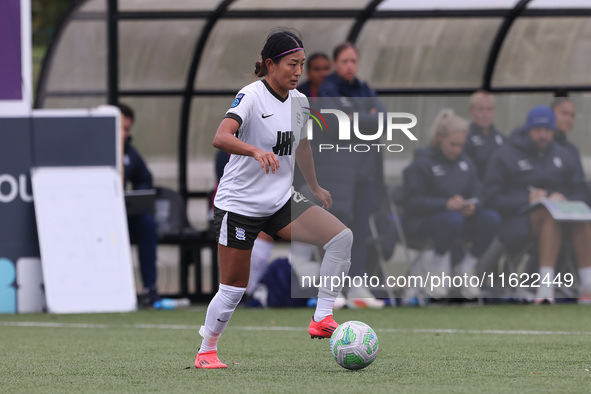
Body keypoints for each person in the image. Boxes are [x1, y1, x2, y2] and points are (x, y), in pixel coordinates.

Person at [195, 29, 353, 369]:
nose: (298, 72)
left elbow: (303, 146)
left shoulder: (300, 101)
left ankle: (322, 317)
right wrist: (253, 150)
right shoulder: (250, 96)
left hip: (281, 201)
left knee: (341, 238)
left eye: (302, 64)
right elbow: (221, 137)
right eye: (291, 64)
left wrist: (314, 186)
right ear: (270, 64)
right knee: (234, 289)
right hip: (239, 205)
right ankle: (206, 350)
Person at [483, 105, 591, 304]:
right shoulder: (505, 154)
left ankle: (587, 284)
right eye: (538, 130)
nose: (543, 135)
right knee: (549, 214)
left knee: (580, 216)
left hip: (564, 220)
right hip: (517, 222)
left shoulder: (565, 154)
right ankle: (545, 286)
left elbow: (581, 191)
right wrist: (526, 199)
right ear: (528, 129)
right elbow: (491, 197)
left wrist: (564, 198)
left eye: (548, 130)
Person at [313, 42, 386, 308]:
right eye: (344, 61)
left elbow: (384, 120)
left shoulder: (365, 89)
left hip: (365, 173)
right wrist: (365, 118)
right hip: (337, 174)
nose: (350, 66)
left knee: (361, 230)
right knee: (335, 231)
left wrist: (355, 119)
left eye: (353, 61)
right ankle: (332, 291)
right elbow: (334, 123)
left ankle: (357, 287)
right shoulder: (327, 89)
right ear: (336, 64)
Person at [402, 109, 501, 299]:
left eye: (461, 145)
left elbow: (479, 192)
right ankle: (434, 268)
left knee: (491, 218)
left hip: (458, 221)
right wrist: (444, 204)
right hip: (423, 222)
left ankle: (466, 266)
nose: (456, 149)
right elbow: (412, 201)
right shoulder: (422, 162)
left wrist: (474, 205)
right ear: (440, 138)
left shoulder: (466, 163)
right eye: (452, 144)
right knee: (452, 219)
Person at [118, 103, 160, 308]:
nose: (125, 134)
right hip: (96, 216)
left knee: (146, 223)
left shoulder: (129, 152)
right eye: (121, 128)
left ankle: (149, 289)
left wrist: (133, 196)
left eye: (127, 129)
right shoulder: (94, 148)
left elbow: (145, 178)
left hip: (122, 214)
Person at [464, 90, 504, 179]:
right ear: (470, 111)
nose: (485, 114)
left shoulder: (502, 138)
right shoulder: (464, 137)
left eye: (489, 109)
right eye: (480, 109)